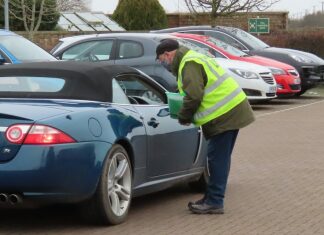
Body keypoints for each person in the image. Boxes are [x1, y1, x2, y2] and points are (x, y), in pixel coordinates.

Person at [156, 39, 255, 214]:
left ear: (167, 54)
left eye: (161, 59)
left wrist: (184, 116)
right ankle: (211, 198)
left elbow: (194, 95)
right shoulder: (193, 57)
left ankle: (215, 201)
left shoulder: (188, 63)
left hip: (224, 114)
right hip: (232, 109)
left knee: (217, 159)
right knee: (219, 158)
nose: (162, 63)